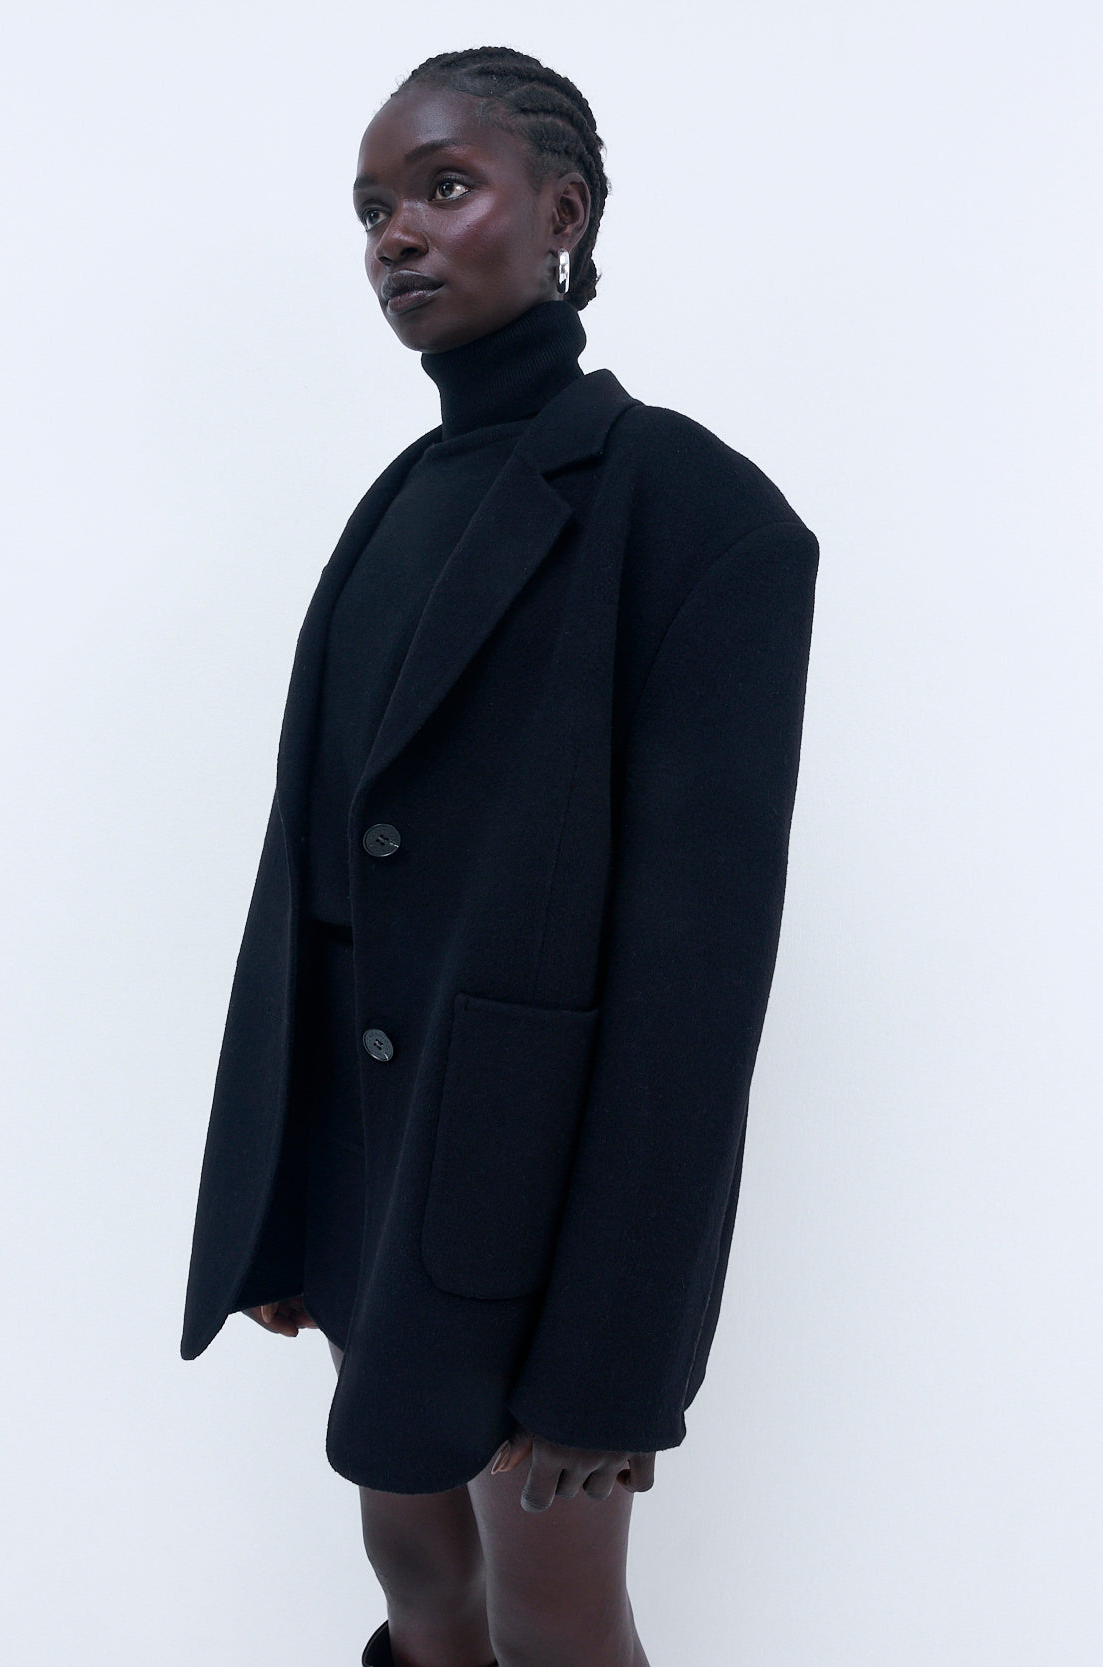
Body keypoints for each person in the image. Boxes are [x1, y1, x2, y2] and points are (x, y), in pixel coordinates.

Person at [180, 45, 819, 1667]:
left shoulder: (698, 514)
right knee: (413, 1566)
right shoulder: (396, 502)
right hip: (368, 1174)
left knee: (554, 1608)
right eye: (372, 209)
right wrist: (281, 1200)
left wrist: (617, 1356)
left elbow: (698, 981)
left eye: (444, 188)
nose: (396, 234)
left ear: (564, 214)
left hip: (536, 1203)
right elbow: (319, 873)